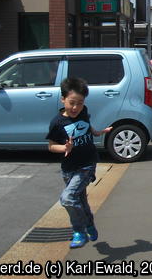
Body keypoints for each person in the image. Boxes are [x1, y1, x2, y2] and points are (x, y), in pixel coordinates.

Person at [46, 77, 112, 248]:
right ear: (63, 99)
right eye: (72, 103)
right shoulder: (57, 122)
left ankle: (79, 231)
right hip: (68, 168)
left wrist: (98, 133)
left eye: (80, 103)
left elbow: (87, 126)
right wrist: (65, 148)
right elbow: (51, 146)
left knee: (67, 198)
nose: (75, 107)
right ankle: (89, 223)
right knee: (79, 200)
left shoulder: (83, 111)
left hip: (87, 164)